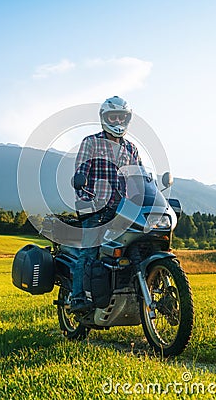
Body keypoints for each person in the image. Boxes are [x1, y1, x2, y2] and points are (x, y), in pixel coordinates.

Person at [70, 96, 142, 312]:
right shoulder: (91, 142)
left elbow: (140, 178)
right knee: (89, 252)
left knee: (138, 247)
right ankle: (78, 297)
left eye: (122, 116)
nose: (118, 120)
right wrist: (80, 182)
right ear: (105, 118)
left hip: (125, 210)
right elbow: (80, 171)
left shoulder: (131, 149)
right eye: (113, 116)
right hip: (96, 208)